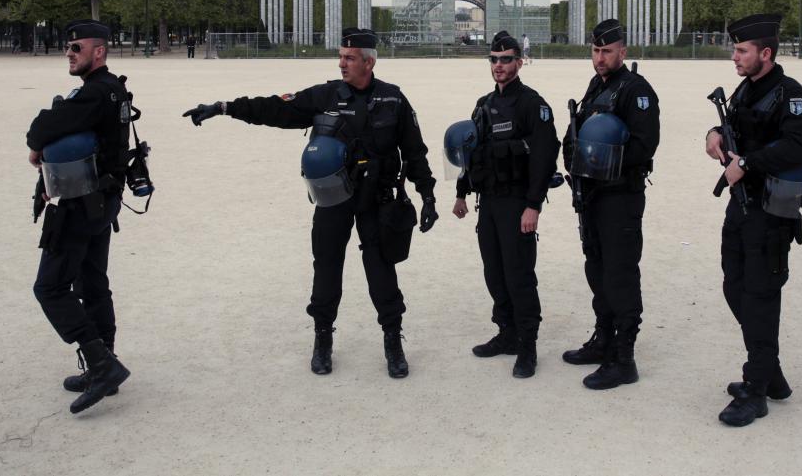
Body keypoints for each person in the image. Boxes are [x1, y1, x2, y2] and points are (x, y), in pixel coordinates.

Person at [182, 28, 438, 378]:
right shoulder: (326, 95)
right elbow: (274, 109)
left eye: (349, 58)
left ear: (369, 61)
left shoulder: (394, 99)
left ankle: (393, 340)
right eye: (341, 56)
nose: (342, 63)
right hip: (334, 199)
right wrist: (224, 108)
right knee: (326, 268)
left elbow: (414, 151)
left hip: (378, 199)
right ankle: (323, 339)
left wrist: (427, 193)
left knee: (382, 271)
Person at [703, 13, 802, 427]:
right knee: (734, 286)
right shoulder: (746, 89)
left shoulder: (791, 95)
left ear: (765, 54)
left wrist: (748, 163)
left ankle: (756, 389)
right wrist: (714, 134)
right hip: (742, 205)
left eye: (741, 50)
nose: (734, 57)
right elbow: (737, 127)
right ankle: (769, 372)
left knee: (760, 295)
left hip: (771, 212)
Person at [26, 19, 133, 414]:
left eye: (76, 47)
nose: (68, 53)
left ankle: (103, 365)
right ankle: (101, 363)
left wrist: (36, 144)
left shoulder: (95, 93)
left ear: (99, 52)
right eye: (67, 47)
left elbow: (45, 125)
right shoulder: (113, 89)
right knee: (92, 283)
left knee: (50, 288)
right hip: (102, 202)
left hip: (78, 203)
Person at [451, 31, 559, 378]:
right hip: (490, 202)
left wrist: (533, 206)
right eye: (494, 60)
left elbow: (544, 157)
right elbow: (472, 152)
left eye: (506, 59)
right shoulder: (483, 104)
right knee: (494, 273)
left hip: (517, 202)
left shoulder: (532, 104)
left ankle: (527, 345)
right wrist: (461, 192)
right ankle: (507, 333)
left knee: (519, 275)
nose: (499, 65)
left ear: (519, 62)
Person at [561, 19, 659, 390]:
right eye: (595, 51)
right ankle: (603, 339)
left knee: (620, 273)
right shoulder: (596, 86)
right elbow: (581, 129)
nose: (600, 58)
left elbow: (644, 145)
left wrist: (597, 160)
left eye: (607, 51)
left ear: (623, 51)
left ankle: (625, 357)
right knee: (597, 270)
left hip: (620, 196)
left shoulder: (637, 91)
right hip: (592, 196)